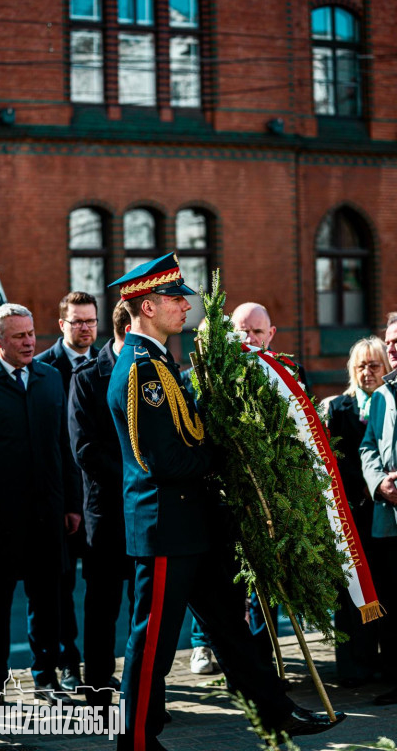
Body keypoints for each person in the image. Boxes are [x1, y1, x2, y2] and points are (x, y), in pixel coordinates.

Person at [108, 252, 345, 751]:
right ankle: (135, 741)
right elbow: (167, 459)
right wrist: (227, 453)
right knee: (153, 640)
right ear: (146, 306)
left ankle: (277, 716)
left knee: (232, 631)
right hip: (167, 522)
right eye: (175, 299)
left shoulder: (161, 361)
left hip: (194, 521)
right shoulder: (140, 371)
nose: (184, 307)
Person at [0, 303, 81, 707]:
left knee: (47, 604)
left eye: (31, 333)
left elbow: (62, 446)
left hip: (47, 516)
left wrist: (71, 503)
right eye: (19, 336)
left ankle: (46, 680)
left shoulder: (50, 379)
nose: (30, 341)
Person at [68, 300, 134, 708]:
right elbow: (85, 448)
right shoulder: (89, 377)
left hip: (147, 510)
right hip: (107, 512)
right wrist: (136, 475)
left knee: (143, 607)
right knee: (103, 605)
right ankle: (96, 686)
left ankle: (144, 691)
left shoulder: (155, 373)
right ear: (127, 330)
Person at [36, 291, 99, 692]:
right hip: (60, 502)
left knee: (101, 590)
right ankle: (66, 664)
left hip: (98, 502)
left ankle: (98, 668)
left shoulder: (107, 364)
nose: (85, 328)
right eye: (77, 321)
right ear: (62, 325)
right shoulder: (43, 369)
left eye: (91, 321)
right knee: (59, 590)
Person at [327, 336, 390, 687]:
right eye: (361, 366)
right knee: (352, 592)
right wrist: (368, 483)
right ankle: (353, 666)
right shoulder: (339, 408)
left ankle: (382, 660)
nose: (368, 372)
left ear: (386, 367)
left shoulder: (390, 405)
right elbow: (334, 459)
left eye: (375, 365)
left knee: (383, 589)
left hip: (385, 516)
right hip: (353, 513)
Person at [360, 315, 397, 706]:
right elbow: (368, 445)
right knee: (391, 599)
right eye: (389, 341)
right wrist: (379, 483)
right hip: (388, 515)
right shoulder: (383, 395)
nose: (392, 348)